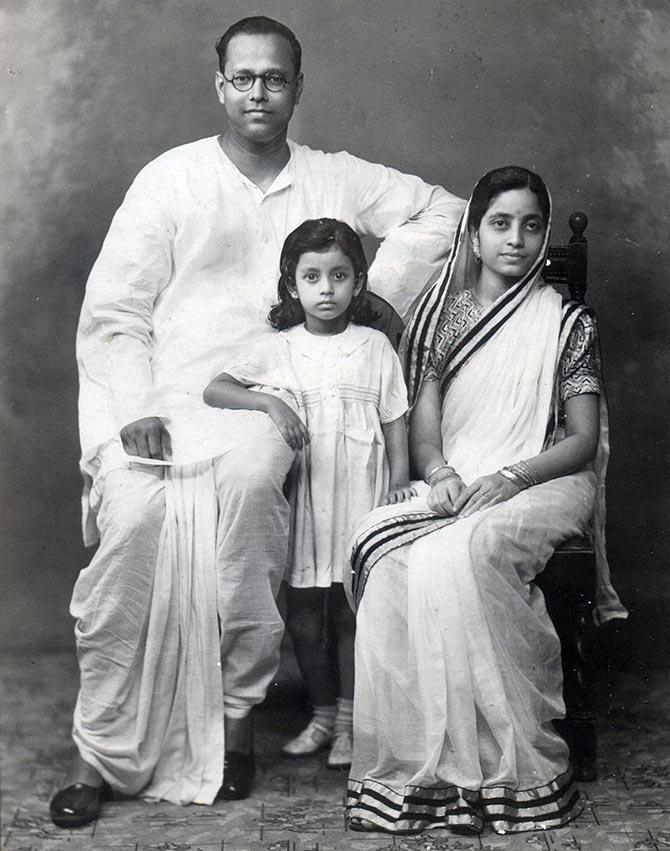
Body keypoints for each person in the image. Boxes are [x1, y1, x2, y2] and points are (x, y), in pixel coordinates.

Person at [50, 15, 464, 828]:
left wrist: (369, 291)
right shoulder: (169, 179)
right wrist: (133, 410)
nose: (259, 93)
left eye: (275, 78)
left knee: (244, 500)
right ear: (220, 87)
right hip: (166, 398)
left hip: (270, 401)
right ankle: (97, 751)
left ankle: (233, 722)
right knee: (133, 524)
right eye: (243, 78)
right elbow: (115, 313)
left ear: (298, 88)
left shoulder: (332, 178)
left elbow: (446, 212)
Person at [345, 166, 627, 836]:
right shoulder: (443, 315)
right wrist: (440, 471)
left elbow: (583, 440)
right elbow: (427, 422)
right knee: (388, 566)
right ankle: (430, 773)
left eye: (533, 225)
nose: (518, 239)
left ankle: (502, 771)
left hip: (546, 474)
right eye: (501, 223)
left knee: (468, 554)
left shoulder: (565, 321)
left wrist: (515, 477)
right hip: (462, 472)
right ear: (474, 233)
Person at [204, 219, 416, 770]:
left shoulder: (374, 347)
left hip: (360, 493)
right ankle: (321, 714)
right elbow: (215, 387)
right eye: (313, 277)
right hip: (306, 494)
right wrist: (272, 405)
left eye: (340, 275)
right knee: (301, 614)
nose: (327, 289)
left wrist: (397, 482)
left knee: (349, 614)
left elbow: (395, 419)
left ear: (358, 282)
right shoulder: (279, 349)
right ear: (292, 286)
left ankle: (349, 722)